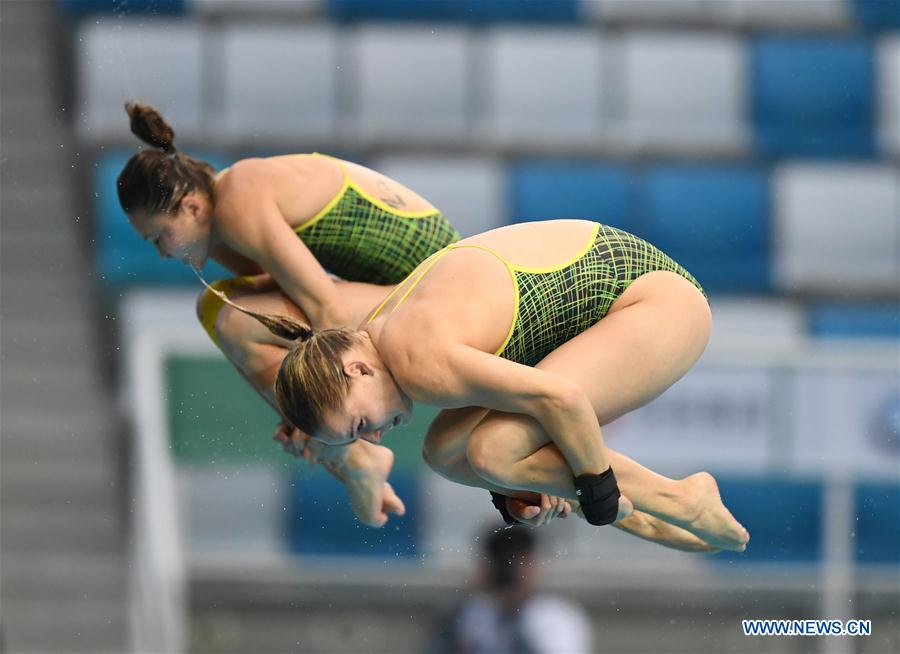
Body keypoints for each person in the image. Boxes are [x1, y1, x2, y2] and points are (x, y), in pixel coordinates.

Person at [262, 218, 751, 551]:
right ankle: (634, 506)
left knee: (495, 450)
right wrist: (518, 490)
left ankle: (677, 500)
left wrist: (598, 494)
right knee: (446, 452)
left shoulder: (418, 362)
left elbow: (561, 398)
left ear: (357, 369)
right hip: (621, 302)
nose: (372, 437)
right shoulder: (384, 329)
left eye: (360, 423)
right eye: (358, 438)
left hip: (659, 306)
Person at [117, 101, 460, 526]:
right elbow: (300, 322)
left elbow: (327, 308)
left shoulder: (239, 202)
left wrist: (316, 407)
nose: (164, 253)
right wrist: (296, 410)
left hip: (440, 283)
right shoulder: (227, 228)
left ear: (191, 207)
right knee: (218, 309)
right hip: (414, 282)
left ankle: (352, 457)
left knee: (234, 321)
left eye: (159, 237)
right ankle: (345, 452)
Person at [429, 527, 594, 654]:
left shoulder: (557, 616)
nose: (514, 573)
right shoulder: (468, 613)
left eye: (522, 563)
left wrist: (514, 611)